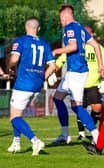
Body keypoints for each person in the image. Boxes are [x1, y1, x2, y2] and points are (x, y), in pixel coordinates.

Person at [51, 4, 104, 145]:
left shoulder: (69, 28)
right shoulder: (80, 28)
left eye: (60, 18)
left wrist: (57, 51)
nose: (60, 21)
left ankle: (96, 135)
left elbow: (73, 47)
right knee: (57, 98)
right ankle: (65, 135)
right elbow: (96, 46)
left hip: (77, 72)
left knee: (77, 107)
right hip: (73, 72)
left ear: (65, 16)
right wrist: (100, 65)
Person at [7, 16, 56, 155]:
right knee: (18, 115)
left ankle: (35, 141)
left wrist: (10, 67)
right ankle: (16, 143)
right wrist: (42, 79)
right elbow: (53, 66)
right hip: (36, 85)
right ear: (38, 28)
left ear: (26, 27)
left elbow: (14, 59)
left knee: (14, 117)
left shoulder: (21, 41)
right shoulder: (45, 44)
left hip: (23, 84)